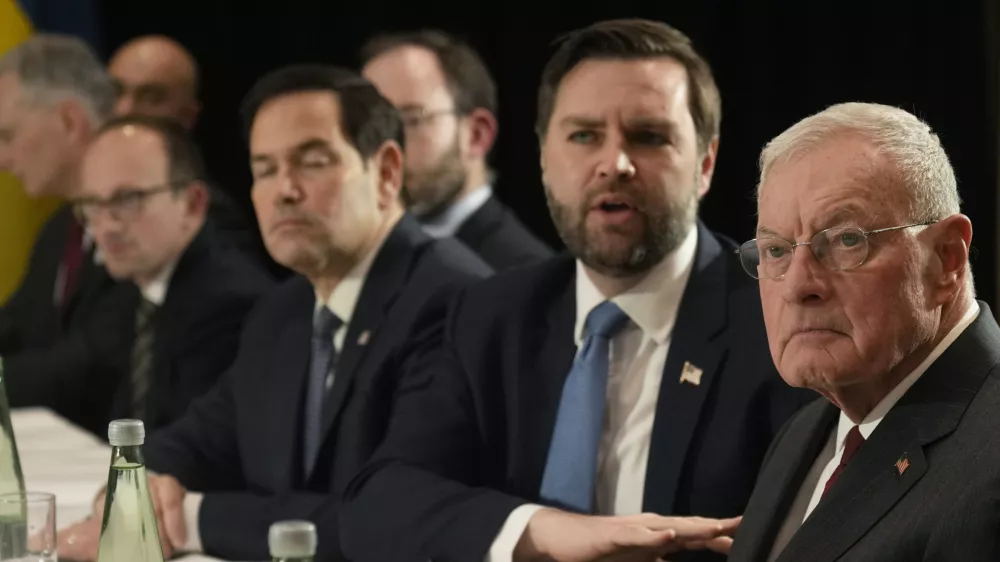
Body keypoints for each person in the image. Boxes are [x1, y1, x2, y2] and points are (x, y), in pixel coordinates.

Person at [341, 19, 812, 562]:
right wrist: (543, 531)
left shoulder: (774, 316)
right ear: (544, 157)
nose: (614, 164)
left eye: (648, 136)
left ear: (704, 163)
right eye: (584, 136)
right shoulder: (488, 316)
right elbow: (378, 504)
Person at [56, 64, 492, 562]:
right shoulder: (282, 311)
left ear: (388, 172)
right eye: (264, 169)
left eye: (312, 162)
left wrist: (190, 521)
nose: (283, 190)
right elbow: (195, 441)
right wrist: (140, 486)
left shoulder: (451, 302)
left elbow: (388, 518)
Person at [725, 102, 1000, 562]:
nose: (797, 286)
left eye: (845, 240)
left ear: (947, 259)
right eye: (776, 250)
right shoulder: (806, 432)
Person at [74, 114, 272, 431]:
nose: (106, 226)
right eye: (93, 204)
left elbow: (195, 446)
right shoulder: (130, 289)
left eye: (128, 199)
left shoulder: (228, 304)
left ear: (192, 204)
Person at [0, 33, 135, 435]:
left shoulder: (155, 218)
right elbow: (14, 325)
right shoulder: (62, 228)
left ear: (69, 121)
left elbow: (98, 360)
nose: (3, 160)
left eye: (7, 136)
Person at [361, 29, 553, 270]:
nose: (383, 151)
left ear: (476, 135)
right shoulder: (358, 263)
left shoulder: (524, 275)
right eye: (371, 127)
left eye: (410, 120)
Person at [108, 34, 275, 276]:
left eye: (151, 97)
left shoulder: (211, 218)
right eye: (116, 92)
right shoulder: (72, 217)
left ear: (188, 117)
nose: (125, 110)